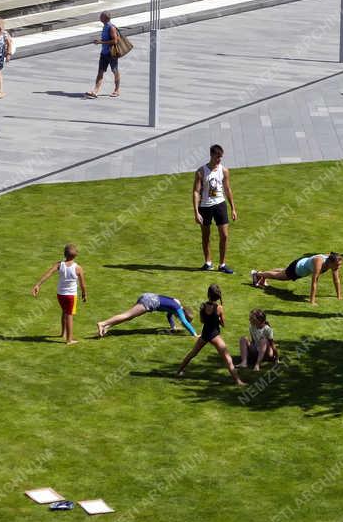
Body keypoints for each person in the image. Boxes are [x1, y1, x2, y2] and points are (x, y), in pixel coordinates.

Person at [176, 284, 245, 386]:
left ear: (208, 294)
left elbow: (202, 320)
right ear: (218, 296)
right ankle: (238, 381)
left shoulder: (203, 306)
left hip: (205, 334)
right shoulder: (219, 308)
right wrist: (218, 319)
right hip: (215, 335)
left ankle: (179, 371)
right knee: (227, 358)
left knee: (193, 353)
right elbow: (223, 324)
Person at [193, 144, 237, 274]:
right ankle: (208, 263)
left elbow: (228, 190)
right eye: (217, 157)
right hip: (205, 206)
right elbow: (196, 192)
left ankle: (222, 264)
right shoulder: (201, 172)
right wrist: (196, 212)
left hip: (220, 204)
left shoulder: (224, 171)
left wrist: (233, 208)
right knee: (206, 236)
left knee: (224, 235)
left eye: (221, 157)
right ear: (211, 155)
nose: (219, 160)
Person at [32, 244, 87, 345]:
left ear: (65, 254)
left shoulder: (59, 264)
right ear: (75, 255)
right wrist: (84, 293)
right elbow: (82, 284)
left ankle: (63, 333)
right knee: (69, 315)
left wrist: (38, 285)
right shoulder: (78, 268)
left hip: (60, 294)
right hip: (71, 296)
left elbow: (48, 273)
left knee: (64, 311)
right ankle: (69, 340)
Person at [251, 252, 343, 305]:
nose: (339, 267)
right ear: (331, 262)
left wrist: (339, 296)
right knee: (280, 276)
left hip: (301, 266)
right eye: (337, 265)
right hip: (297, 269)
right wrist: (312, 301)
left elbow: (336, 280)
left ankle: (263, 276)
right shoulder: (319, 263)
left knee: (282, 272)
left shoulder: (332, 263)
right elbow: (314, 282)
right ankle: (257, 274)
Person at [97, 293, 197, 338]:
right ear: (183, 314)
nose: (181, 320)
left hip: (148, 297)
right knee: (127, 315)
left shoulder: (176, 305)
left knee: (129, 316)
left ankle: (107, 327)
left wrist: (173, 326)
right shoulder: (178, 308)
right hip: (149, 302)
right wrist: (194, 334)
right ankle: (103, 323)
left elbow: (169, 316)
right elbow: (184, 322)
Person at [86, 11, 121, 98]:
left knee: (114, 71)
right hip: (104, 53)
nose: (99, 17)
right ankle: (95, 91)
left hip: (111, 53)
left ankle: (117, 90)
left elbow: (115, 41)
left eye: (101, 16)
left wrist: (101, 42)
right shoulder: (105, 26)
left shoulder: (111, 27)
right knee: (100, 72)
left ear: (105, 18)